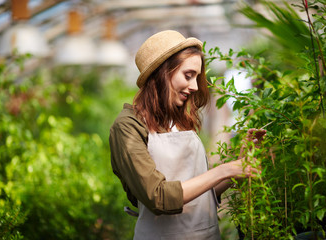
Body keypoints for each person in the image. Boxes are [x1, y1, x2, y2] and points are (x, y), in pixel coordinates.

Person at [109, 30, 265, 240]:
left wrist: (240, 166)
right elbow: (158, 197)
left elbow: (202, 193)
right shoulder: (128, 127)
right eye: (188, 75)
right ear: (162, 73)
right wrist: (224, 170)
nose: (193, 86)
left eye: (196, 77)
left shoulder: (180, 121)